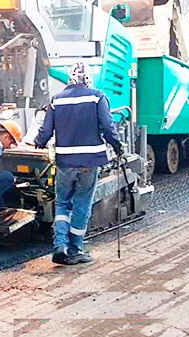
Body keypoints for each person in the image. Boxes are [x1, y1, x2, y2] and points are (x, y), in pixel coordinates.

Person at [33, 61, 123, 266]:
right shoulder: (97, 96)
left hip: (65, 162)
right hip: (89, 162)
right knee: (82, 203)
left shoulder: (57, 100)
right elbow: (108, 126)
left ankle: (60, 245)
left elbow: (45, 131)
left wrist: (38, 143)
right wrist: (117, 146)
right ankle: (75, 249)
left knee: (63, 203)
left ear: (69, 77)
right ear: (88, 77)